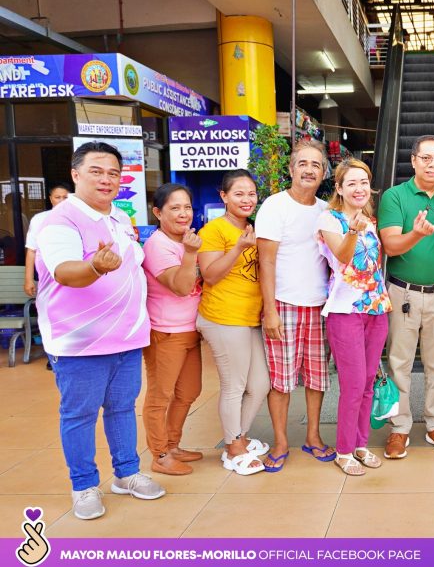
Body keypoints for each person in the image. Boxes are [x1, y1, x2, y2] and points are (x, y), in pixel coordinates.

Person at [35, 141, 165, 520]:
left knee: (123, 408)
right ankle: (84, 485)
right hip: (80, 342)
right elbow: (64, 272)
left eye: (112, 172)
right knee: (79, 415)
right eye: (96, 171)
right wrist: (95, 267)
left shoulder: (120, 220)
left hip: (126, 337)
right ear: (75, 175)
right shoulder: (57, 221)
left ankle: (126, 474)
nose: (106, 179)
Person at [378, 134, 434, 459]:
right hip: (403, 292)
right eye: (425, 158)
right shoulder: (395, 197)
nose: (432, 164)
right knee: (399, 363)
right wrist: (415, 233)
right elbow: (391, 246)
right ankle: (399, 429)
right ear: (413, 161)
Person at [256, 140, 335, 472]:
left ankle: (313, 437)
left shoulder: (326, 211)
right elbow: (266, 261)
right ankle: (281, 441)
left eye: (316, 165)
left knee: (317, 379)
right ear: (291, 169)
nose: (309, 169)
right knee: (281, 380)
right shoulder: (275, 206)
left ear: (323, 174)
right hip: (284, 305)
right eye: (302, 163)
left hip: (320, 306)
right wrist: (270, 309)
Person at [316, 158, 391, 476]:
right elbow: (344, 258)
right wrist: (353, 231)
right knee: (353, 383)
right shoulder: (329, 219)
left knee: (367, 385)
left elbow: (374, 265)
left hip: (377, 309)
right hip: (345, 312)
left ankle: (361, 444)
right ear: (340, 188)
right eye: (352, 183)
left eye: (364, 182)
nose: (359, 188)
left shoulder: (371, 220)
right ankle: (344, 449)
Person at [197, 169, 270, 476]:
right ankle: (233, 447)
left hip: (248, 318)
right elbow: (210, 275)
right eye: (238, 193)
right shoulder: (214, 230)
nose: (246, 199)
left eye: (251, 193)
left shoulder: (253, 226)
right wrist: (239, 247)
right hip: (223, 317)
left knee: (260, 385)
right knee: (234, 385)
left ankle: (237, 437)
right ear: (224, 196)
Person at [142, 183, 204, 476]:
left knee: (189, 391)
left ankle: (173, 443)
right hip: (166, 332)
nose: (183, 214)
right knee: (160, 396)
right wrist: (191, 254)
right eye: (174, 208)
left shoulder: (184, 241)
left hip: (190, 331)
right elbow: (181, 287)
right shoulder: (157, 245)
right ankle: (160, 454)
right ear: (158, 212)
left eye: (187, 207)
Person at [24, 183, 71, 297]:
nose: (61, 201)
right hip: (47, 276)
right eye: (57, 197)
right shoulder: (39, 219)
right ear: (51, 199)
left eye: (65, 197)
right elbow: (31, 250)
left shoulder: (79, 218)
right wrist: (28, 279)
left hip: (72, 274)